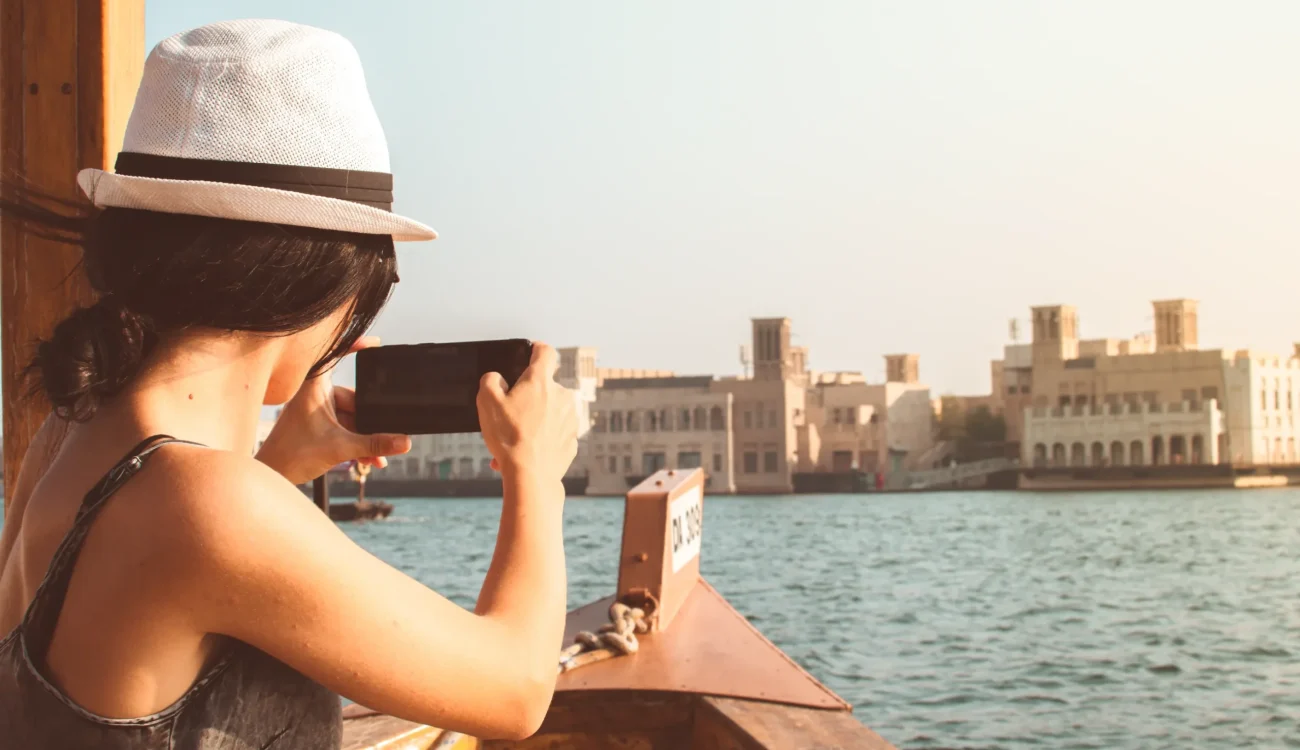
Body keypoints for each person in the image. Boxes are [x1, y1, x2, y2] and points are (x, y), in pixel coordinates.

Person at [0, 19, 577, 749]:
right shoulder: (207, 502)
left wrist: (283, 466)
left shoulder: (73, 432)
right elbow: (515, 690)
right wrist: (538, 473)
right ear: (316, 279)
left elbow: (156, 593)